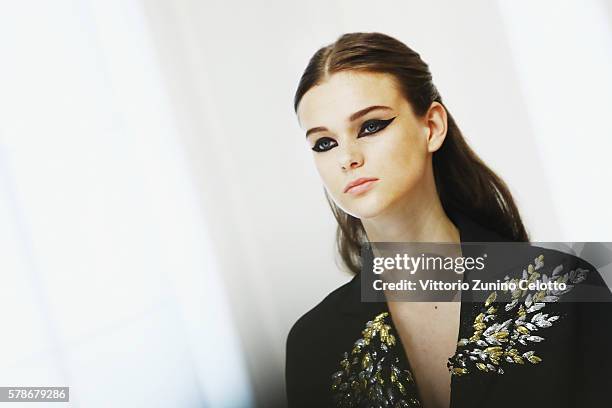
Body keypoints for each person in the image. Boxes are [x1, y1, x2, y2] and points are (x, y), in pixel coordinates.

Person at [285, 32, 612, 408]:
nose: (348, 157)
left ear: (432, 127)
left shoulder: (564, 290)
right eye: (324, 143)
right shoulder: (314, 343)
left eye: (371, 126)